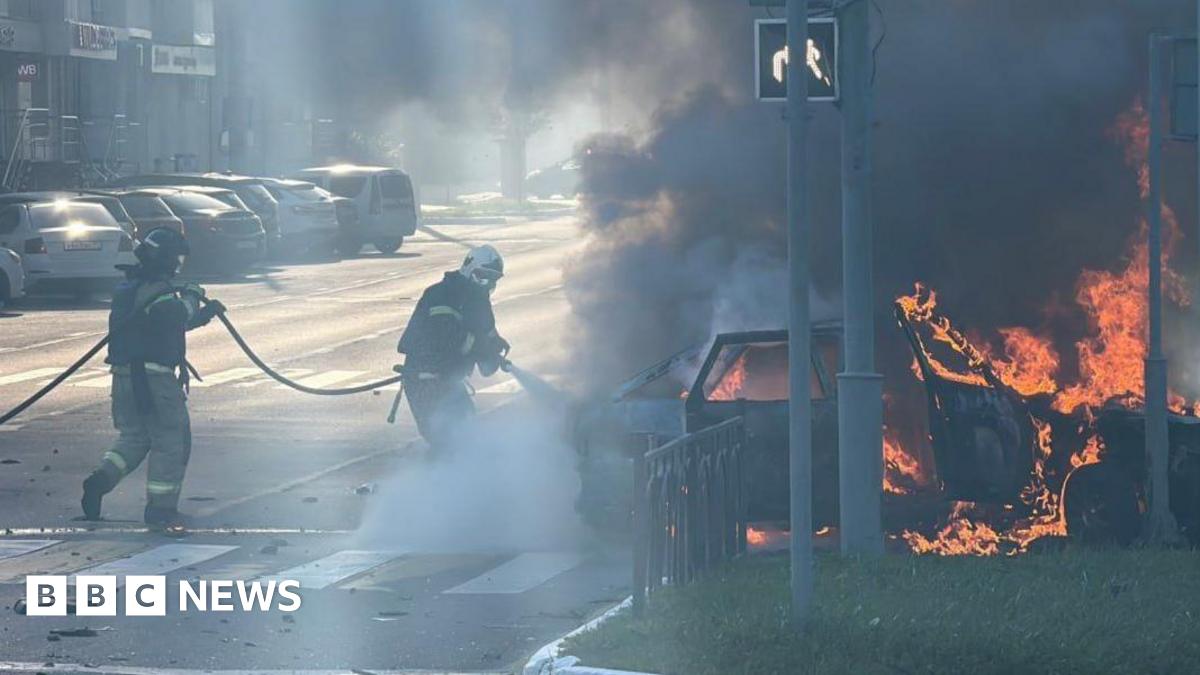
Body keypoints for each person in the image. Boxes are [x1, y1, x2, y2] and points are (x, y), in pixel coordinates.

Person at [80, 227, 226, 527]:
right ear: (164, 258)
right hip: (154, 379)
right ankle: (161, 508)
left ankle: (101, 480)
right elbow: (176, 316)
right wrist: (193, 297)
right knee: (171, 441)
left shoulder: (131, 289)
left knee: (135, 437)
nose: (177, 264)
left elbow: (163, 325)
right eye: (175, 258)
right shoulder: (155, 290)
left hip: (124, 377)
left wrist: (206, 313)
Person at [397, 244, 510, 450]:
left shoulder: (479, 300)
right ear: (468, 267)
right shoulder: (441, 295)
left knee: (467, 436)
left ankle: (460, 479)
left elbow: (486, 335)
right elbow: (447, 339)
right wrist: (480, 347)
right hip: (425, 381)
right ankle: (431, 481)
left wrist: (495, 349)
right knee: (446, 441)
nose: (486, 284)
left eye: (492, 280)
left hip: (450, 381)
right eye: (482, 276)